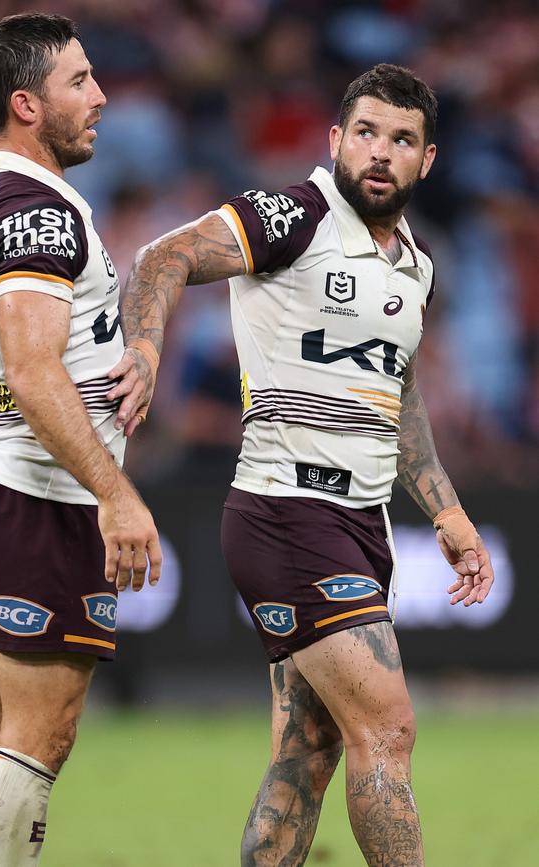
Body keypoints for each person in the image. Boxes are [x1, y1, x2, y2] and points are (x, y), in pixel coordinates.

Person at [108, 64, 495, 866]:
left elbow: (400, 391)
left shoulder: (415, 265)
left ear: (428, 160)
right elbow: (162, 256)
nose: (380, 152)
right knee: (386, 728)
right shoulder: (296, 214)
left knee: (307, 754)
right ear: (336, 140)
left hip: (362, 523)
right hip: (287, 512)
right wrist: (146, 348)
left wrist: (447, 511)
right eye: (366, 132)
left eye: (402, 139)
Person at [0, 13, 162, 867]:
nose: (100, 97)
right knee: (38, 737)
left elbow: (52, 351)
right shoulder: (36, 212)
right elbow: (32, 366)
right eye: (79, 82)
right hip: (41, 498)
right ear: (26, 104)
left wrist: (128, 356)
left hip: (1, 486)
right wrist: (116, 493)